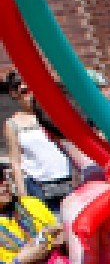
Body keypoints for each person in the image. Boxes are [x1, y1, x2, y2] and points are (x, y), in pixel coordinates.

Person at [4, 73, 73, 215]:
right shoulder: (12, 124)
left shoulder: (52, 116)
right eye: (24, 91)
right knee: (50, 232)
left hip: (68, 181)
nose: (29, 95)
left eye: (32, 89)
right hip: (39, 186)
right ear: (15, 94)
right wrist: (24, 197)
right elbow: (15, 162)